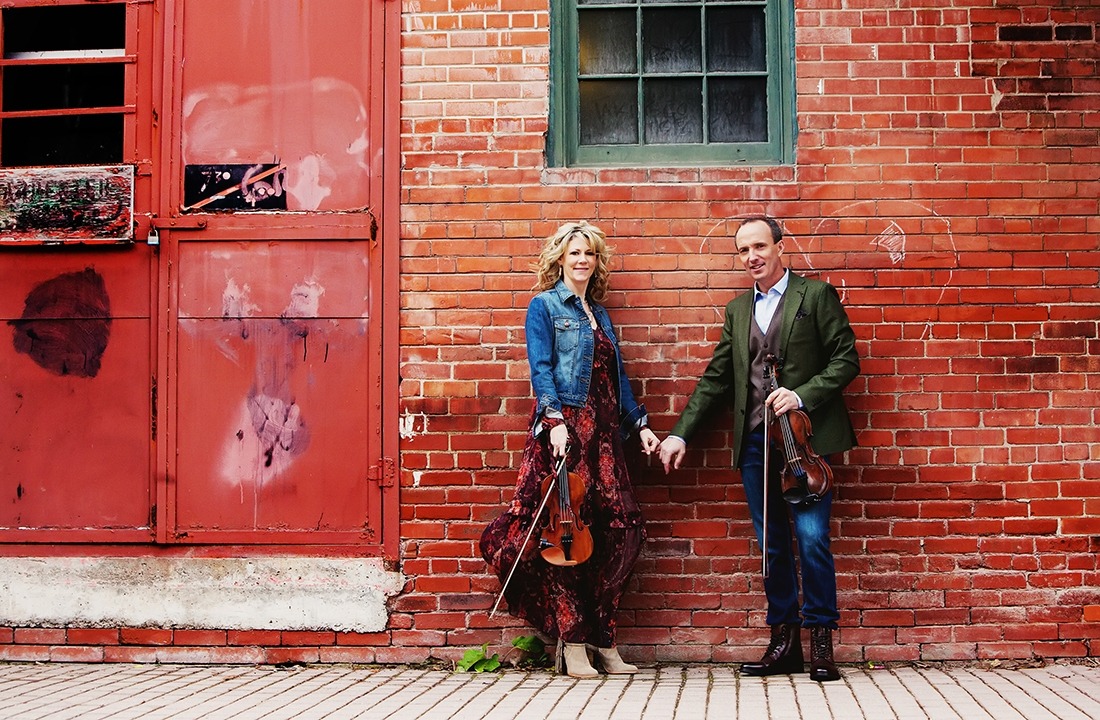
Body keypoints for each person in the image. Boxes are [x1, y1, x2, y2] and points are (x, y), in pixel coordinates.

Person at [658, 216, 860, 683]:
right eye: (743, 250)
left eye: (759, 246)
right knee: (771, 544)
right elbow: (716, 378)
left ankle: (821, 642)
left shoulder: (815, 296)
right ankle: (783, 643)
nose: (752, 256)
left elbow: (846, 358)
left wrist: (802, 394)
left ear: (779, 247)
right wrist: (680, 433)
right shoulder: (736, 310)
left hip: (802, 442)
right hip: (755, 443)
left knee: (811, 539)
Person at [481, 221, 660, 678]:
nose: (582, 260)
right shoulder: (544, 306)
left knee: (618, 534)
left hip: (604, 437)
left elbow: (615, 381)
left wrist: (637, 424)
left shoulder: (601, 314)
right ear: (559, 258)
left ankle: (604, 640)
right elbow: (541, 370)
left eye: (590, 254)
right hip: (566, 433)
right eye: (574, 252)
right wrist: (554, 421)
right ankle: (574, 641)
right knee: (563, 538)